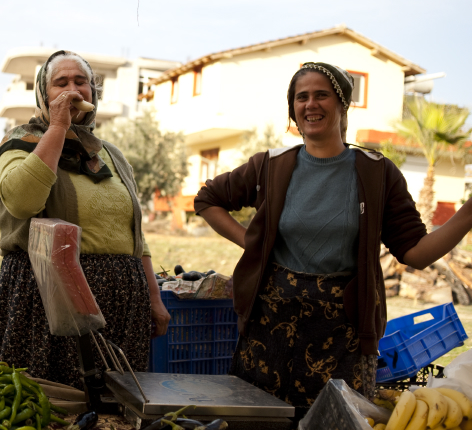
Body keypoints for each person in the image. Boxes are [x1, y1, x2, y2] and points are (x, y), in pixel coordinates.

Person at [194, 62, 472, 411]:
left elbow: (415, 252)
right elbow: (208, 199)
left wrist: (469, 213)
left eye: (321, 95)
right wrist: (255, 242)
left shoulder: (377, 173)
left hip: (343, 336)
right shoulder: (271, 165)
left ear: (342, 105)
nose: (311, 104)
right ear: (293, 108)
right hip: (269, 329)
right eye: (301, 97)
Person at [0, 50, 171, 388]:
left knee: (115, 402)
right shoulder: (21, 144)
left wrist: (154, 299)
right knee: (53, 400)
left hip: (121, 299)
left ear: (93, 93)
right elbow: (21, 201)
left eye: (81, 82)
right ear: (44, 96)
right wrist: (57, 127)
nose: (73, 89)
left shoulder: (111, 155)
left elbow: (136, 237)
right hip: (48, 298)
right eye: (61, 83)